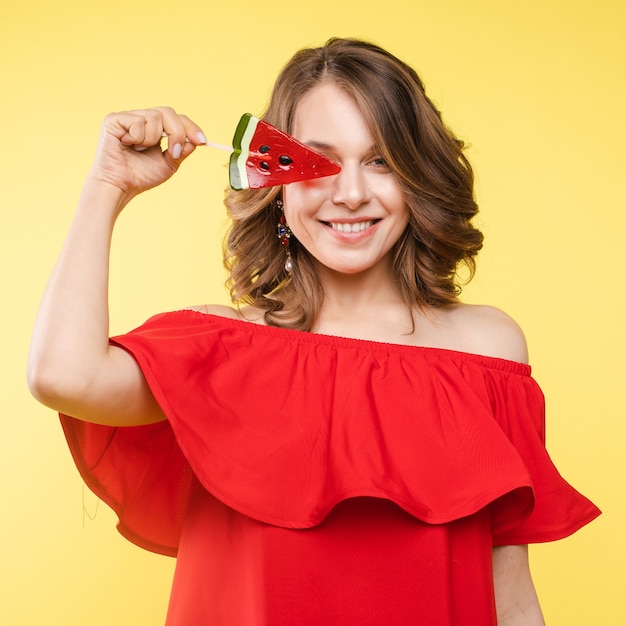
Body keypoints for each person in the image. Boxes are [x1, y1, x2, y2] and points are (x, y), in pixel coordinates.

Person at [28, 38, 599, 625]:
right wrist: (108, 185)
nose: (349, 193)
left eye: (379, 161)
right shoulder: (219, 348)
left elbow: (510, 594)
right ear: (274, 181)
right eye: (318, 163)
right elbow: (61, 376)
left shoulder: (486, 350)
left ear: (416, 179)